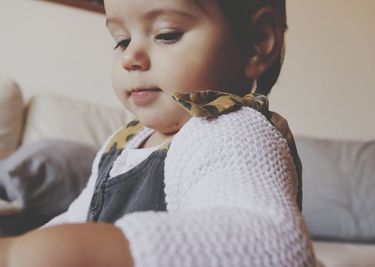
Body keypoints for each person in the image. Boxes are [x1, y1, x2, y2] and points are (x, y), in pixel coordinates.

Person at [0, 0, 316, 266]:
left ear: (256, 44)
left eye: (167, 35)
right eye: (122, 40)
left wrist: (20, 255)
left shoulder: (228, 129)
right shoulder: (124, 141)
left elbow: (268, 246)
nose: (129, 57)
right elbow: (78, 217)